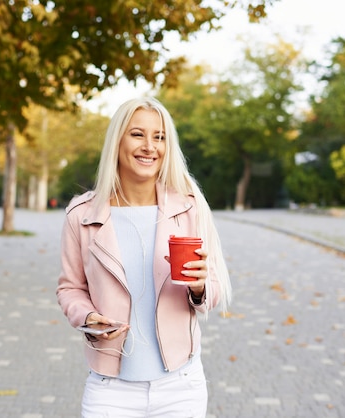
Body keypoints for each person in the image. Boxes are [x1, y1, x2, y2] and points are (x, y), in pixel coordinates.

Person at [56, 97, 232, 417]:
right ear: (117, 141)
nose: (150, 146)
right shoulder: (82, 215)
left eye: (160, 137)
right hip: (110, 389)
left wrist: (199, 287)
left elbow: (216, 285)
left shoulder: (189, 207)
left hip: (181, 386)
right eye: (138, 134)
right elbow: (70, 288)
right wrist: (86, 316)